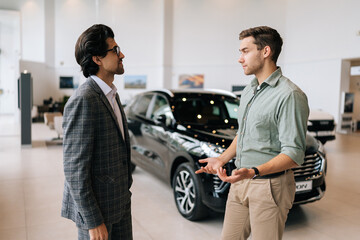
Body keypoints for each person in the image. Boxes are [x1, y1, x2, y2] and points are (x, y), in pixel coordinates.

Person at [195, 26, 309, 239]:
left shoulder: (290, 95)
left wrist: (254, 171)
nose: (240, 58)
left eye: (245, 51)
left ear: (265, 52)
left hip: (270, 186)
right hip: (240, 179)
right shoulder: (249, 90)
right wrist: (221, 159)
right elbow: (244, 134)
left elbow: (294, 154)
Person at [61, 24, 133, 240]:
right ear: (97, 59)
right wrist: (93, 221)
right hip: (97, 211)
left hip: (119, 202)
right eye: (115, 50)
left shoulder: (112, 94)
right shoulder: (84, 100)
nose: (122, 54)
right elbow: (74, 170)